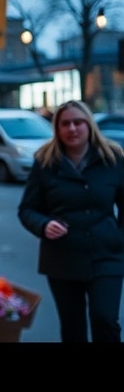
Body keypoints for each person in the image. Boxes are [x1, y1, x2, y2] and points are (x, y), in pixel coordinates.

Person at [17, 99, 124, 342]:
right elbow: (27, 209)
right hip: (62, 258)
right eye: (65, 123)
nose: (72, 128)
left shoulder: (112, 159)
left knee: (105, 318)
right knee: (72, 326)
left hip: (106, 255)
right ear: (57, 128)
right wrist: (43, 225)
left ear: (89, 125)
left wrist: (118, 237)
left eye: (78, 122)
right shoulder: (45, 163)